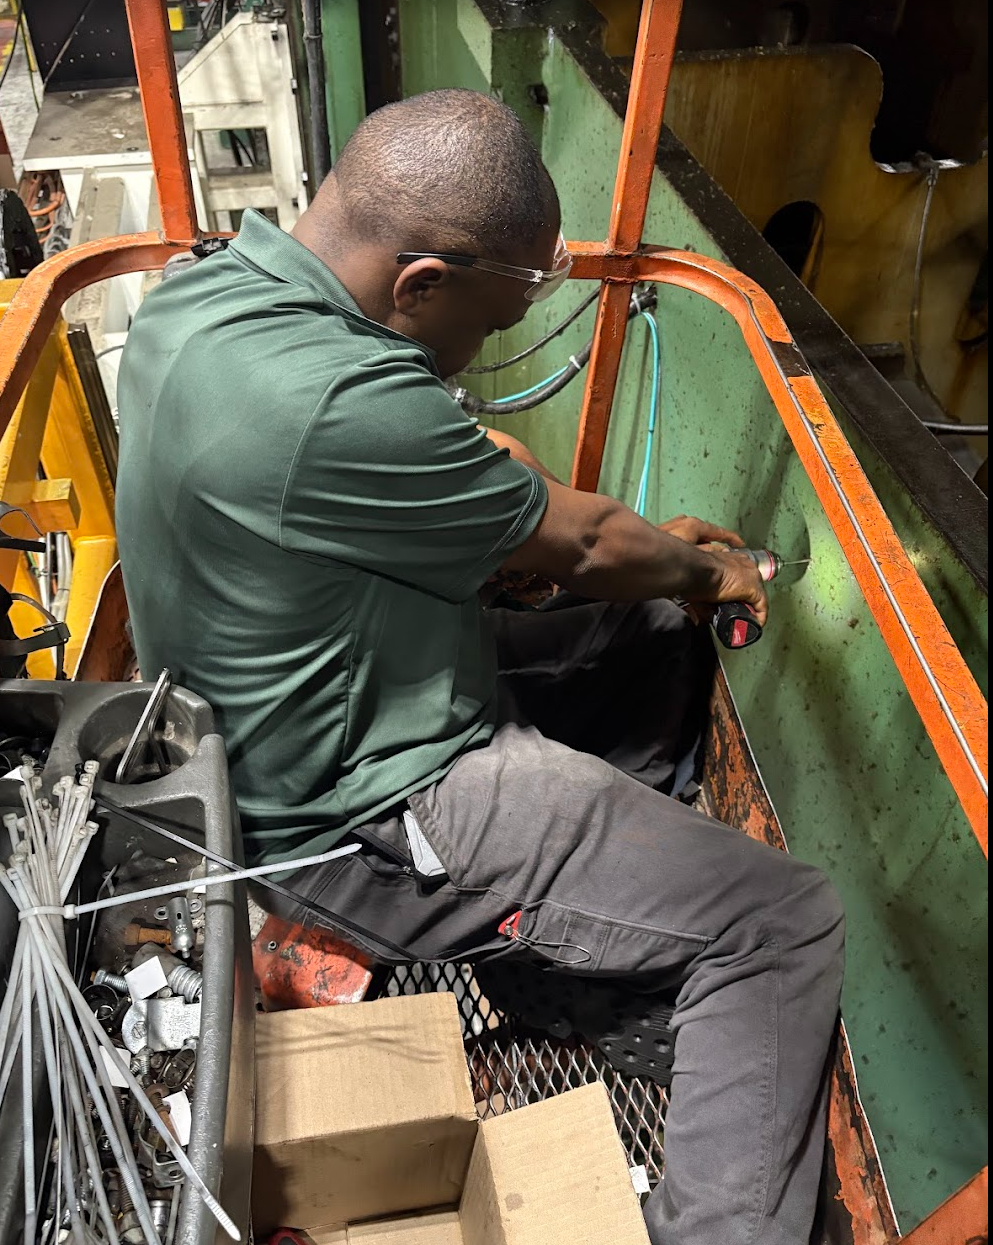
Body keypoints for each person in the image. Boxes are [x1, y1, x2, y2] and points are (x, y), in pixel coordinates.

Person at [116, 89, 844, 1245]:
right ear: (418, 285)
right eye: (487, 324)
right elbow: (588, 546)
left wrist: (621, 574)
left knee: (647, 636)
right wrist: (714, 573)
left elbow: (383, 504)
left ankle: (592, 932)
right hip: (354, 816)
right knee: (781, 919)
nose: (481, 350)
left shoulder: (199, 298)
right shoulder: (344, 404)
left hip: (295, 709)